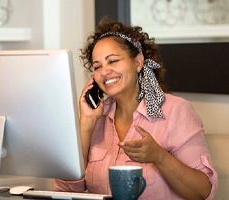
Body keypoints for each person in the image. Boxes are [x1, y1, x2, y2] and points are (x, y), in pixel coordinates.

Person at [54, 17, 218, 199]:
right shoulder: (96, 117)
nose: (104, 71)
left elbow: (202, 191)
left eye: (113, 61)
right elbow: (64, 191)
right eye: (97, 66)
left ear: (138, 62)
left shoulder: (176, 110)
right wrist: (86, 124)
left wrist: (159, 157)